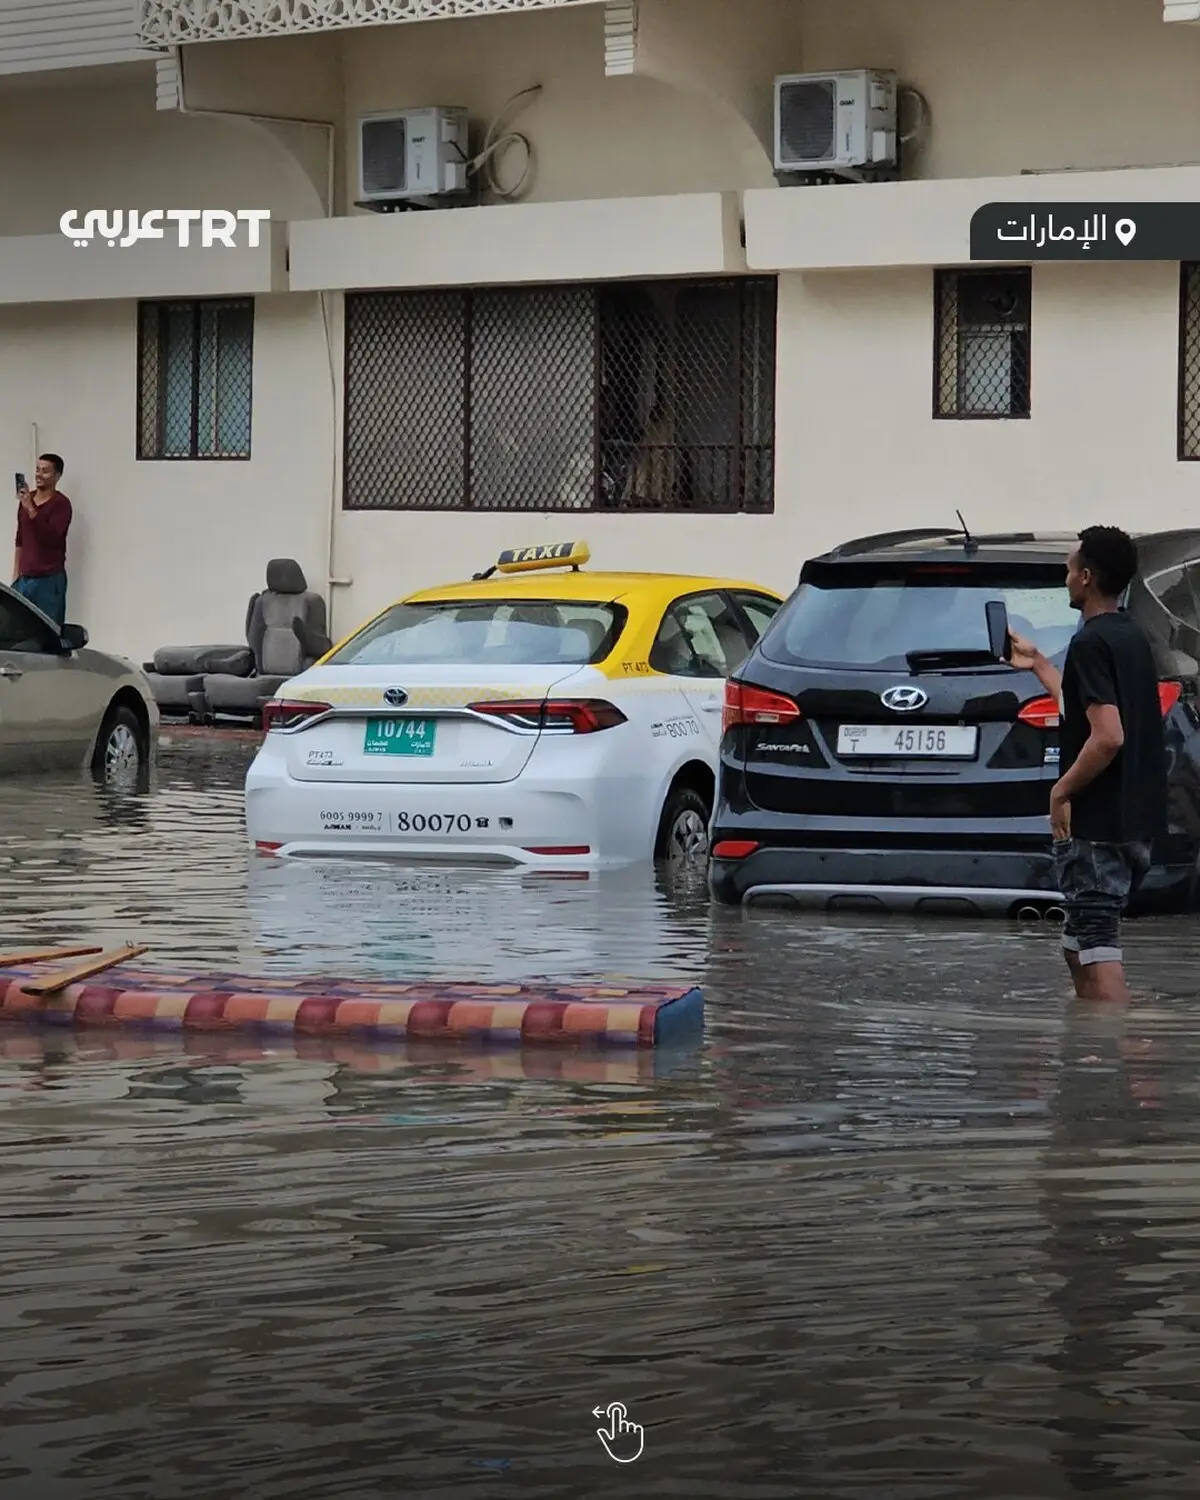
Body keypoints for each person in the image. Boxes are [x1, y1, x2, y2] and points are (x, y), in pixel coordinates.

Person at [1009, 526, 1168, 1004]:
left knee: (1099, 948)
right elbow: (1086, 711)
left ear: (1086, 577)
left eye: (1069, 567)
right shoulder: (1130, 637)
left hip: (1098, 824)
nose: (1065, 575)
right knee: (1078, 945)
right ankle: (1087, 1055)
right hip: (1135, 821)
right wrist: (1038, 663)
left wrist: (1061, 791)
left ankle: (1113, 1056)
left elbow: (1108, 736)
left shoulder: (1091, 644)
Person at [12, 453, 72, 628]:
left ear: (57, 476)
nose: (38, 475)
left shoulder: (61, 504)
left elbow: (52, 538)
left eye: (45, 471)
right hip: (24, 580)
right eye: (37, 470)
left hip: (49, 580)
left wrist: (31, 508)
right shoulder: (26, 500)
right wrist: (16, 575)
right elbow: (20, 539)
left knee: (47, 632)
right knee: (19, 630)